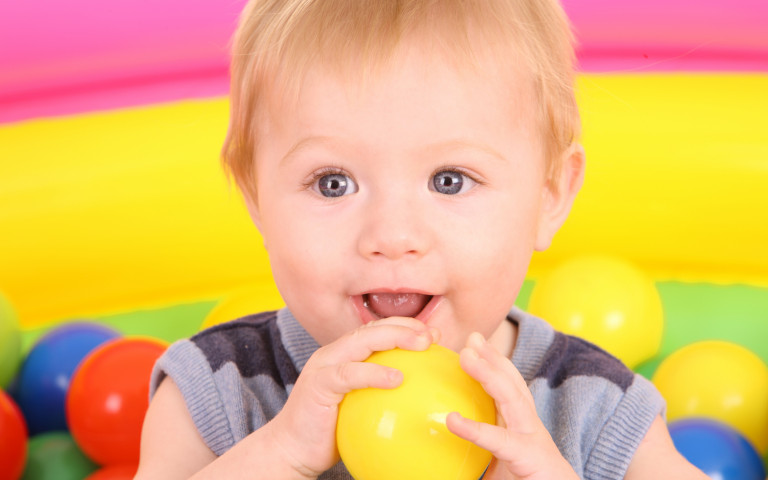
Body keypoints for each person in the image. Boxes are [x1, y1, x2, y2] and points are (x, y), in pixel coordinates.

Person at [135, 0, 708, 478]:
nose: (392, 236)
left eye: (449, 180)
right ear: (256, 198)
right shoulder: (217, 390)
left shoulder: (596, 409)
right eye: (333, 183)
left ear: (549, 195)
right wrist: (280, 453)